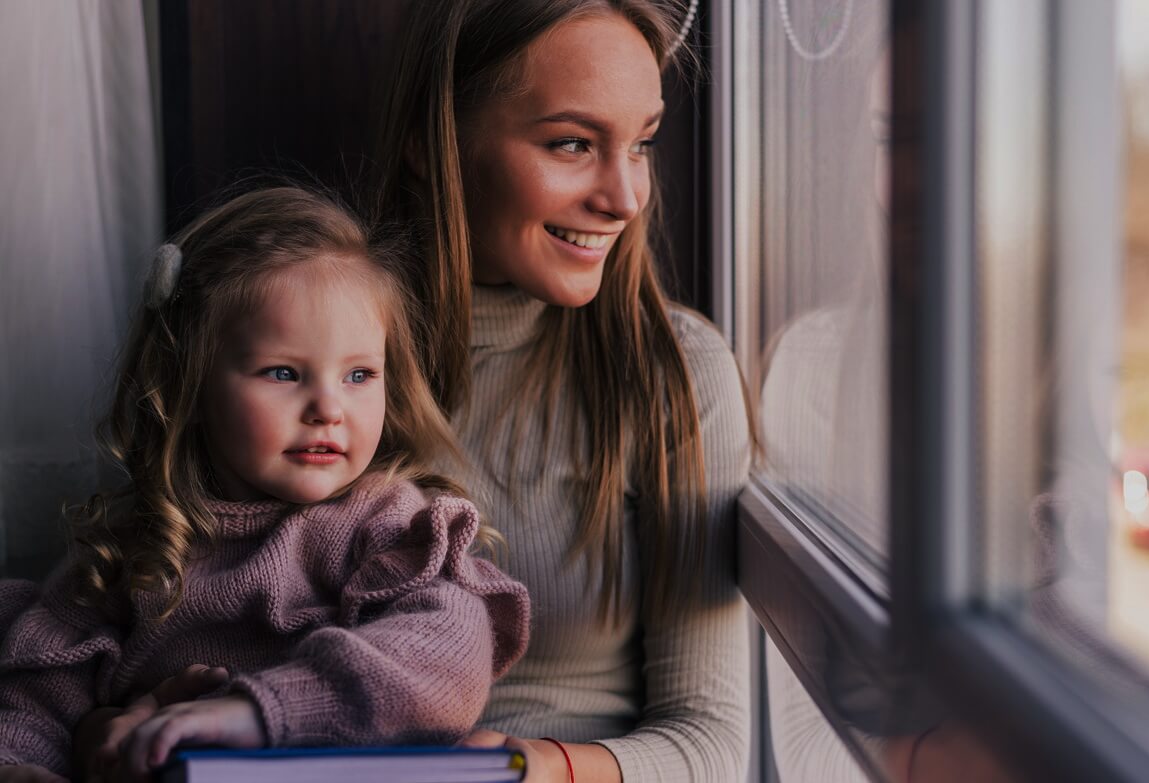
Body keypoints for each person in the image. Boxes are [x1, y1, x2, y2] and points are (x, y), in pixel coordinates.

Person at [0, 187, 530, 783]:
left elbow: (447, 652)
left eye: (360, 374)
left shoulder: (384, 525)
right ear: (190, 386)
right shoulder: (129, 548)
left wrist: (255, 712)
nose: (328, 407)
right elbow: (35, 704)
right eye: (283, 372)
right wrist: (23, 765)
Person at [370, 2, 754, 781]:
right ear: (430, 139)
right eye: (573, 144)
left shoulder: (672, 371)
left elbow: (712, 741)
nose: (625, 197)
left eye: (641, 143)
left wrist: (540, 768)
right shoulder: (301, 356)